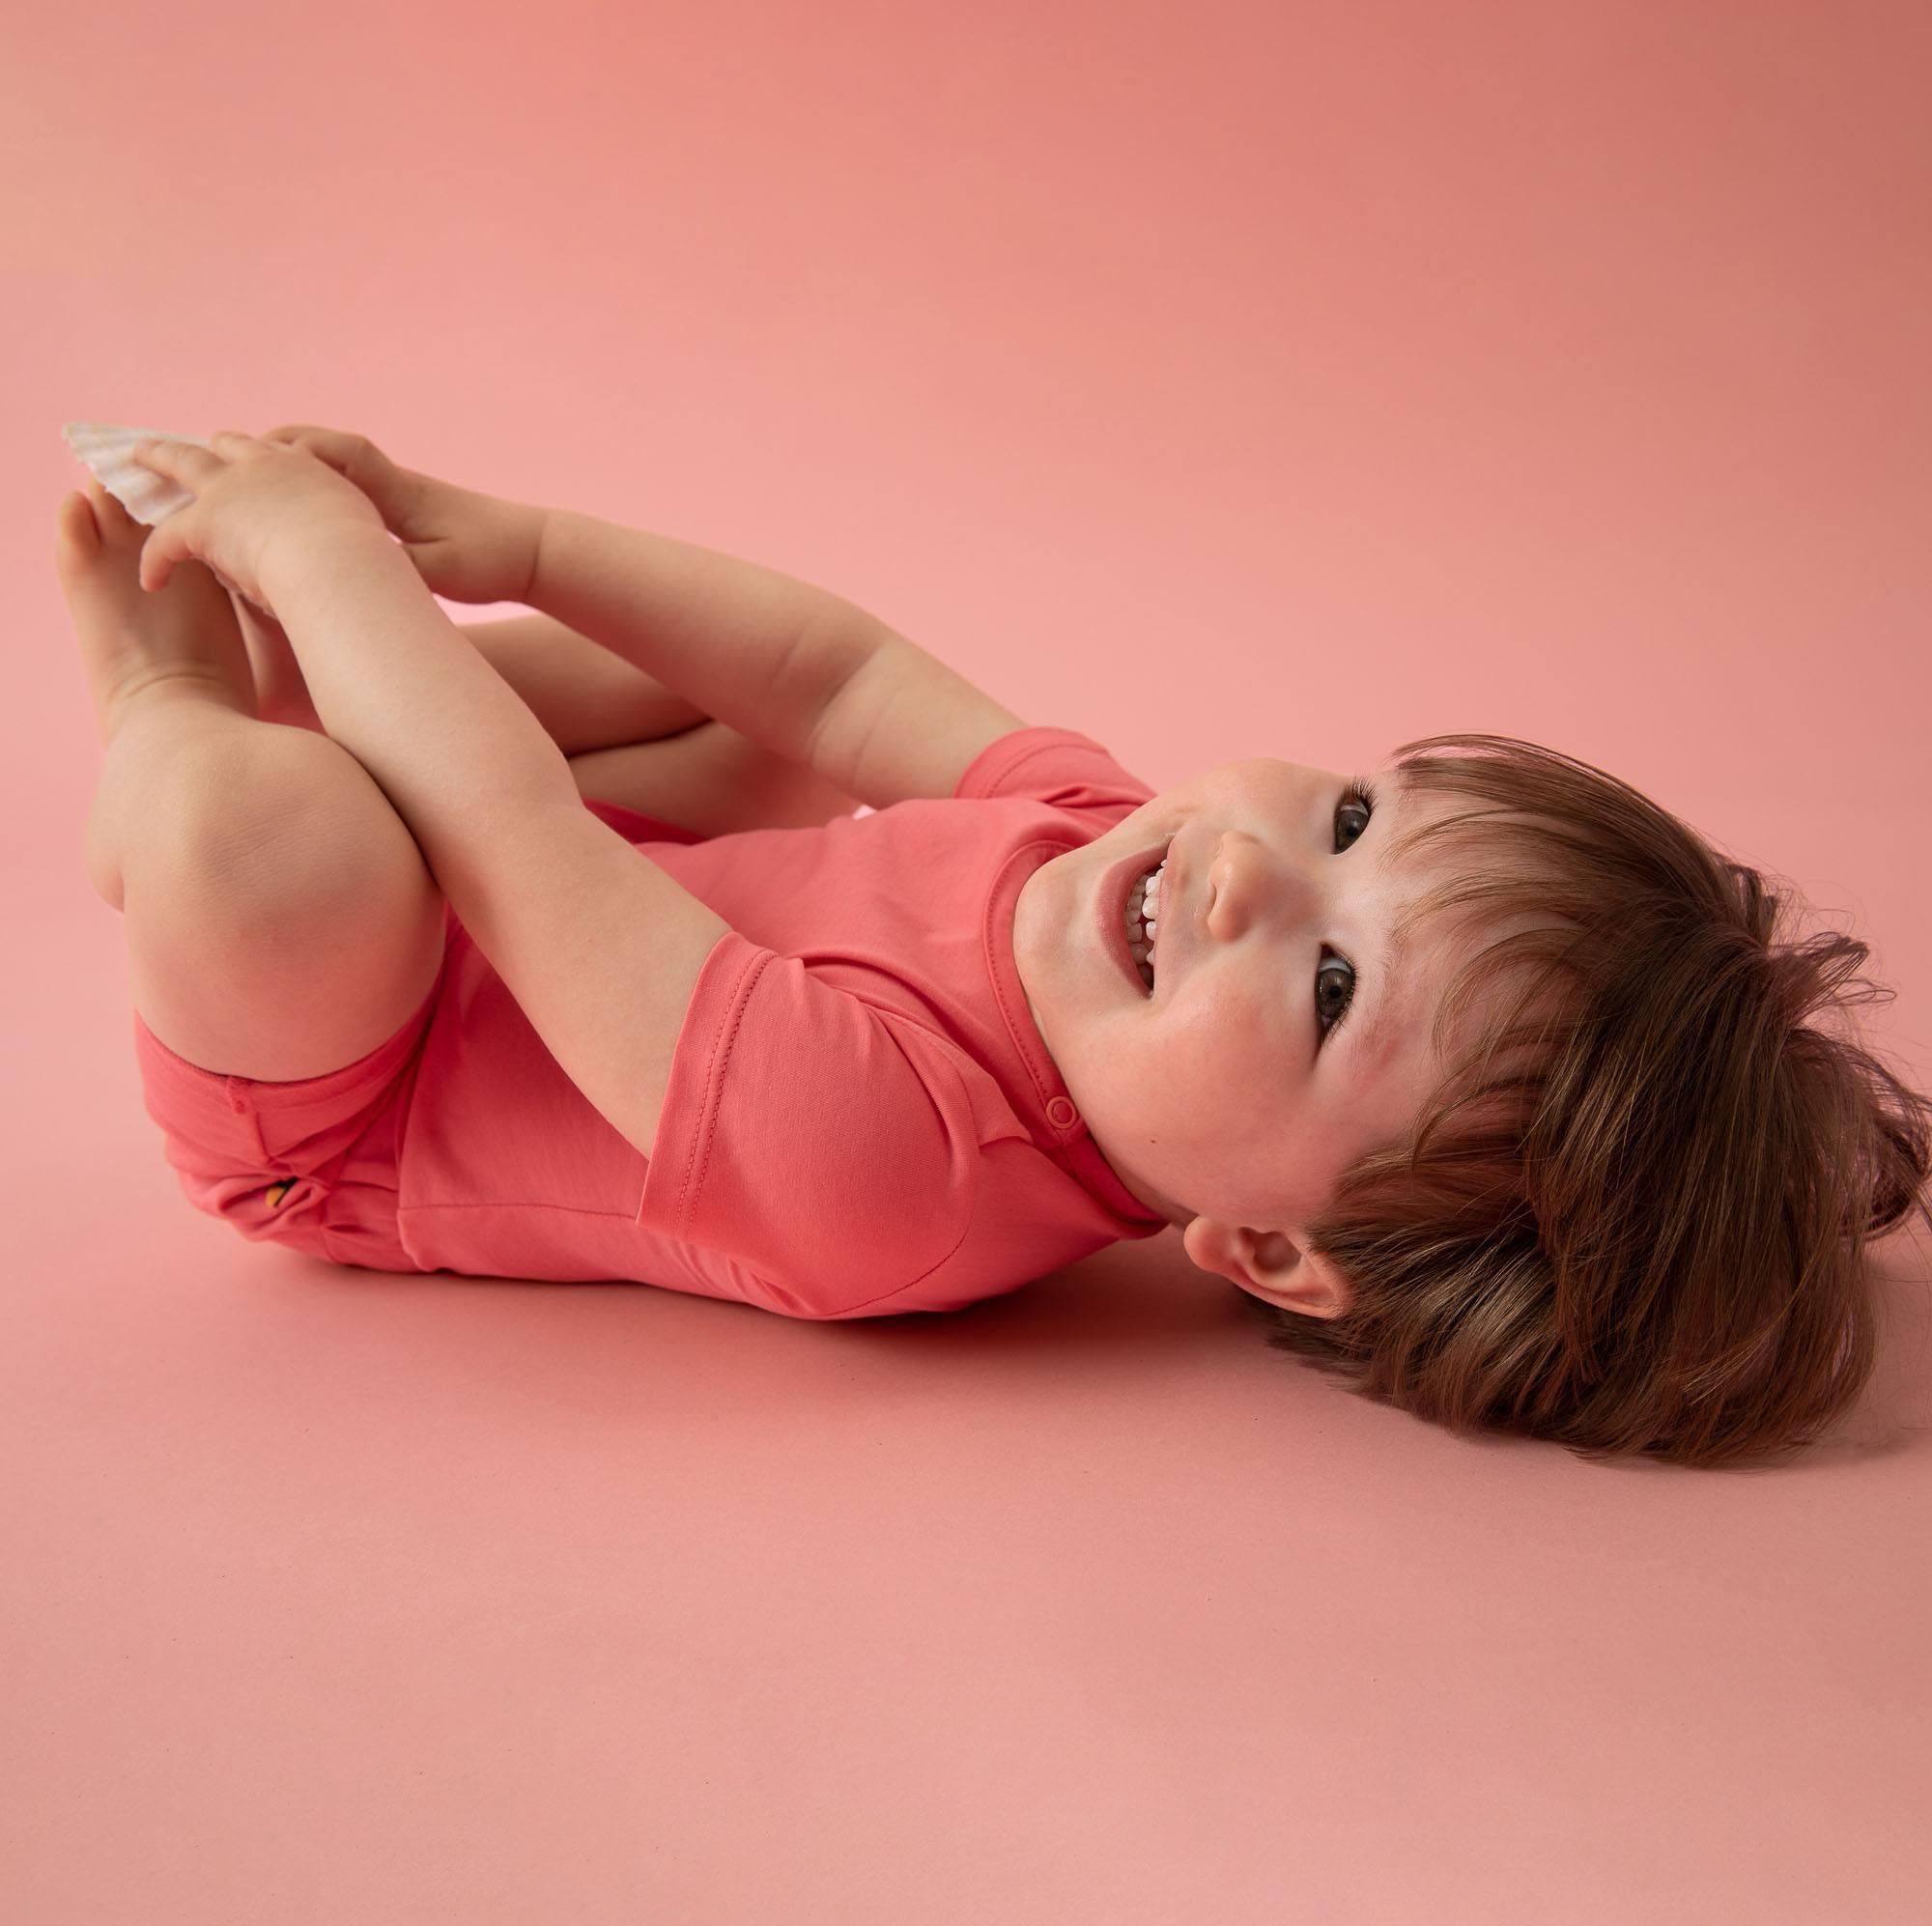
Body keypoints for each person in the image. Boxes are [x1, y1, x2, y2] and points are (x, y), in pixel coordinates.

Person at [54, 427, 1930, 1468]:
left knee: (271, 851)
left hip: (359, 1089)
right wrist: (500, 540)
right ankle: (330, 695)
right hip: (585, 888)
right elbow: (836, 669)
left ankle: (180, 708)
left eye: (1331, 987)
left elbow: (513, 841)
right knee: (767, 720)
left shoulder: (899, 1177)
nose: (1244, 877)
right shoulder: (1101, 847)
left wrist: (334, 566)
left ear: (1271, 1245)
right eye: (1350, 819)